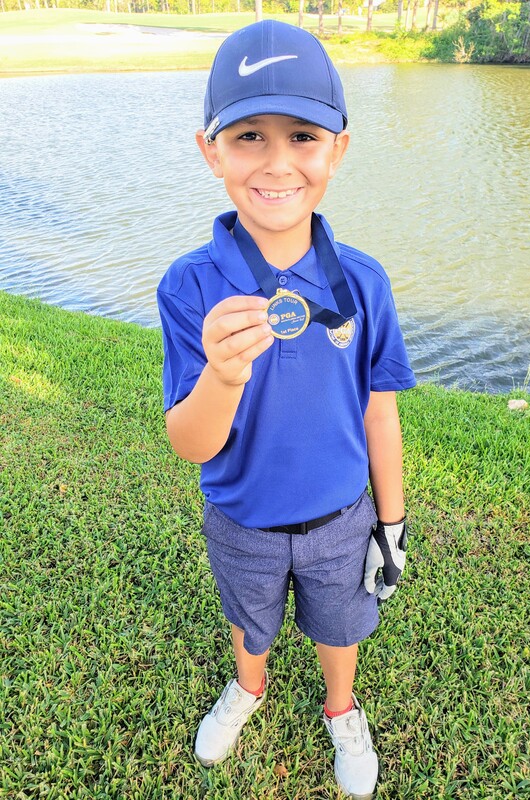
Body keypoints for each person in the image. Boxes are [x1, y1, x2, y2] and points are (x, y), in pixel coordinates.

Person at [157, 19, 416, 800]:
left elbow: (380, 414)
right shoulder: (190, 286)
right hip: (241, 517)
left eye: (302, 135)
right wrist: (224, 378)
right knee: (250, 620)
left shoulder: (363, 283)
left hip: (341, 516)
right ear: (210, 149)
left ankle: (343, 708)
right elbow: (189, 442)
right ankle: (250, 688)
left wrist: (392, 526)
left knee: (342, 627)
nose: (277, 163)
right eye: (248, 136)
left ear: (338, 147)